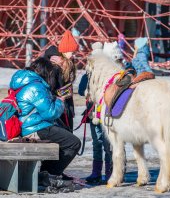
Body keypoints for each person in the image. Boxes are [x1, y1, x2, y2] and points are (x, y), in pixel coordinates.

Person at [9, 58, 81, 178]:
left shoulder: (23, 82)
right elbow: (51, 113)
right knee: (73, 143)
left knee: (63, 139)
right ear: (44, 71)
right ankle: (48, 174)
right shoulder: (36, 87)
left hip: (28, 125)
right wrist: (60, 101)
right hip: (35, 127)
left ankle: (46, 173)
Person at [78, 42, 112, 184]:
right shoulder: (88, 74)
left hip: (106, 114)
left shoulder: (108, 75)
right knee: (98, 144)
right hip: (93, 113)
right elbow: (80, 90)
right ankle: (96, 173)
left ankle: (110, 173)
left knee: (107, 144)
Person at [44, 30, 79, 131]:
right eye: (71, 52)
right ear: (64, 51)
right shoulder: (54, 66)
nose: (73, 54)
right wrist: (59, 95)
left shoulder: (68, 63)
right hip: (57, 106)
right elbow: (50, 87)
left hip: (66, 106)